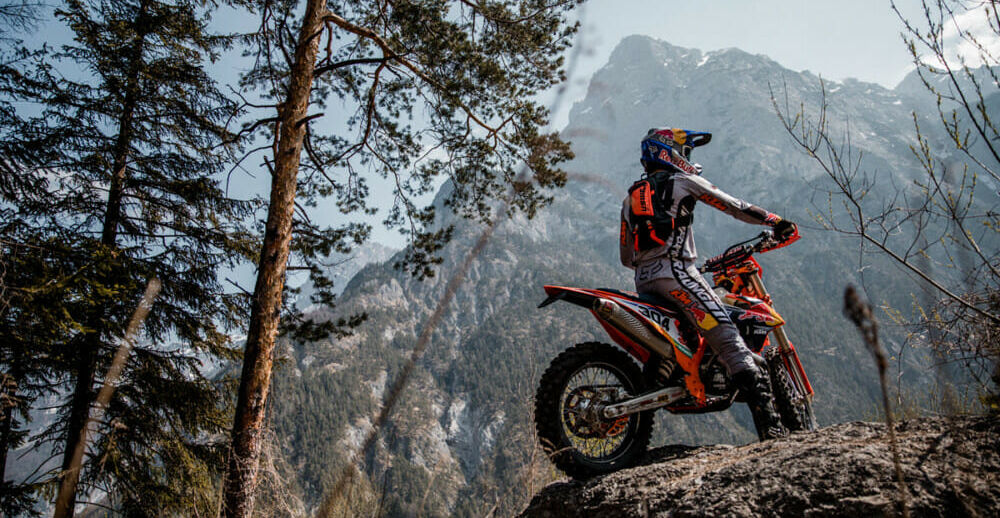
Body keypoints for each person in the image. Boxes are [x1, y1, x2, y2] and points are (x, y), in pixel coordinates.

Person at [619, 127, 797, 440]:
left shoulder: (632, 195)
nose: (687, 158)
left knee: (685, 342)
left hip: (644, 282)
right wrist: (776, 221)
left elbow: (625, 255)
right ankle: (772, 430)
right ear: (669, 152)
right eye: (684, 151)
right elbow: (735, 207)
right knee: (730, 339)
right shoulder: (684, 181)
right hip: (678, 275)